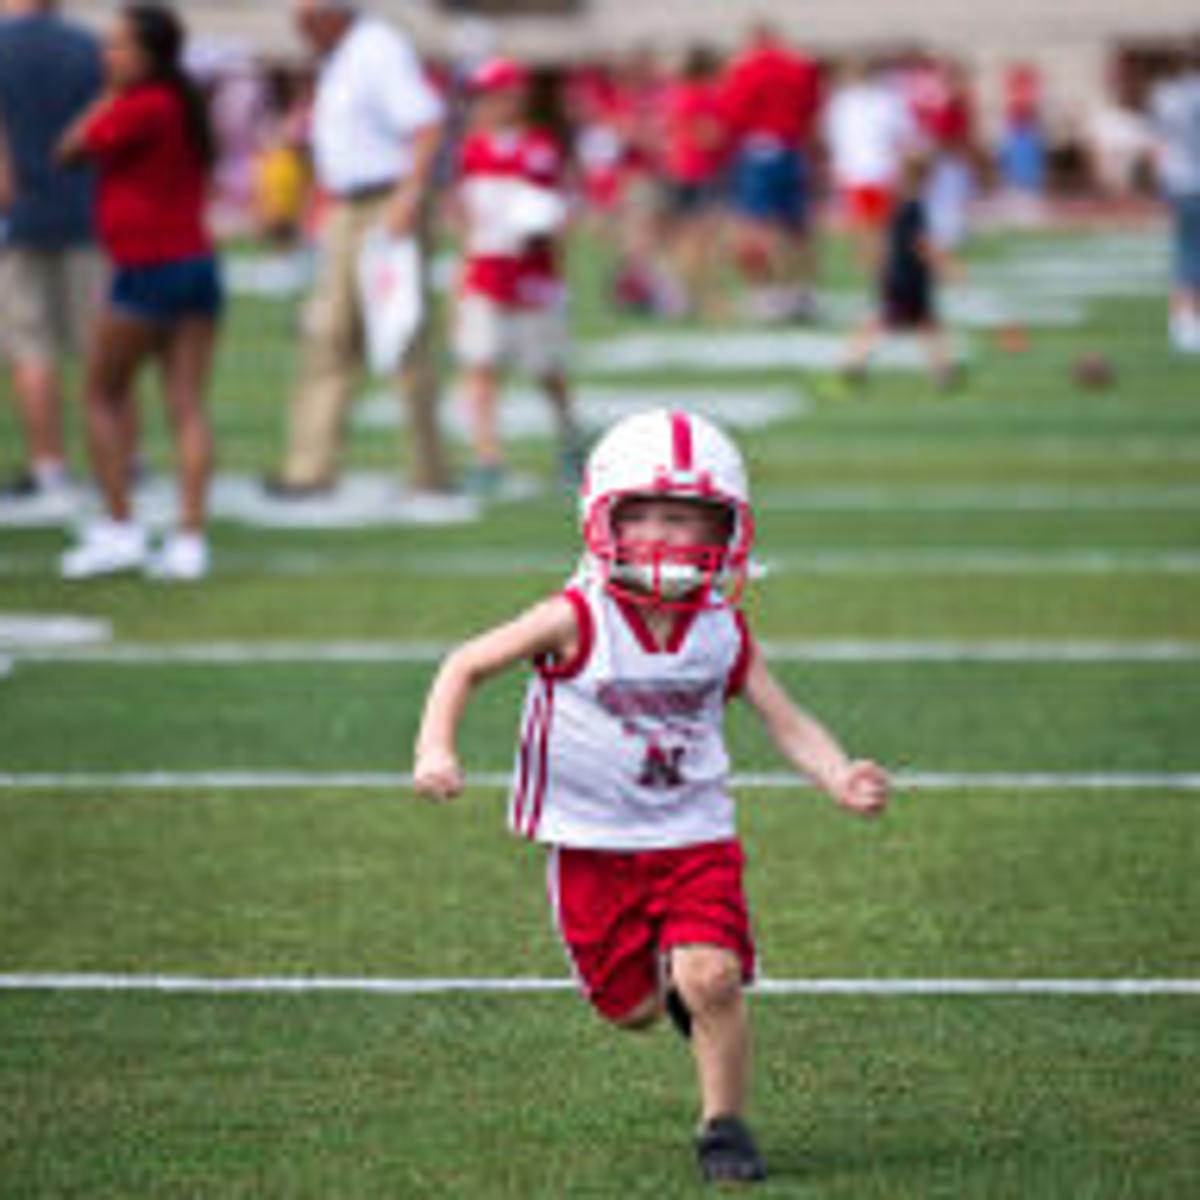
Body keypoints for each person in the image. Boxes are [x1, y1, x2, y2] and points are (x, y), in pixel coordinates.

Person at [413, 408, 890, 1185]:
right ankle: (676, 995)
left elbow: (785, 718)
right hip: (592, 842)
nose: (663, 537)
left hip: (693, 832)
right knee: (632, 1010)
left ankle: (724, 1127)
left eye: (684, 519)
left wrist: (837, 774)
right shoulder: (575, 615)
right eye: (645, 517)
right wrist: (436, 746)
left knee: (713, 979)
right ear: (604, 519)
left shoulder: (721, 627)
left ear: (724, 529)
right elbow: (466, 664)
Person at [57, 2, 222, 581]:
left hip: (146, 267)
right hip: (196, 263)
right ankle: (189, 540)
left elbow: (69, 149)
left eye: (119, 45)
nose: (108, 55)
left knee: (100, 394)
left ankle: (120, 528)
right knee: (186, 405)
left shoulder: (141, 104)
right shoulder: (180, 100)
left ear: (150, 54)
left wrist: (108, 93)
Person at [265, 0, 450, 501]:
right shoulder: (343, 55)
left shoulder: (377, 48)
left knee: (401, 336)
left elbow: (426, 124)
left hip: (384, 204)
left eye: (306, 18)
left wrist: (408, 197)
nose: (300, 30)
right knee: (328, 336)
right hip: (347, 206)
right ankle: (309, 467)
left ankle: (428, 471)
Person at [451, 56, 581, 497]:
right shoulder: (471, 150)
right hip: (486, 273)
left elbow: (558, 213)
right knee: (480, 366)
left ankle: (569, 439)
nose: (485, 104)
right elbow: (466, 218)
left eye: (493, 95)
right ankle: (487, 457)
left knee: (548, 369)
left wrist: (549, 239)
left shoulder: (539, 148)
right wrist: (462, 274)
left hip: (531, 277)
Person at [0, 0, 104, 502]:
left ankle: (49, 465)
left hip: (21, 218)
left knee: (30, 349)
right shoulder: (89, 47)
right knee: (98, 350)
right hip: (87, 213)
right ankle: (117, 460)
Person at [718, 23, 823, 322]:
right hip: (792, 149)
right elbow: (812, 107)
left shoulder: (747, 69)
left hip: (759, 151)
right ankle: (803, 292)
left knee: (755, 228)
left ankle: (769, 295)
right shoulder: (799, 67)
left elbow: (733, 112)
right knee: (796, 228)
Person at [837, 153, 959, 390]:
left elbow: (886, 240)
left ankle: (941, 371)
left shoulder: (897, 205)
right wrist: (946, 266)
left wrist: (877, 264)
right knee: (913, 323)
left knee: (916, 323)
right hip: (909, 278)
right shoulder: (914, 208)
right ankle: (854, 361)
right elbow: (920, 243)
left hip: (897, 275)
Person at [823, 57, 917, 275]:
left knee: (873, 224)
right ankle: (874, 267)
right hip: (863, 168)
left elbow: (902, 135)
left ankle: (877, 266)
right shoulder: (847, 102)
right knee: (866, 224)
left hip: (874, 168)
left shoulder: (882, 100)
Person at [1149, 41, 1200, 354]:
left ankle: (1183, 321)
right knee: (1191, 251)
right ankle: (1186, 322)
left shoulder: (1164, 94)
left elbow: (1158, 142)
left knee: (1186, 251)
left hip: (1177, 181)